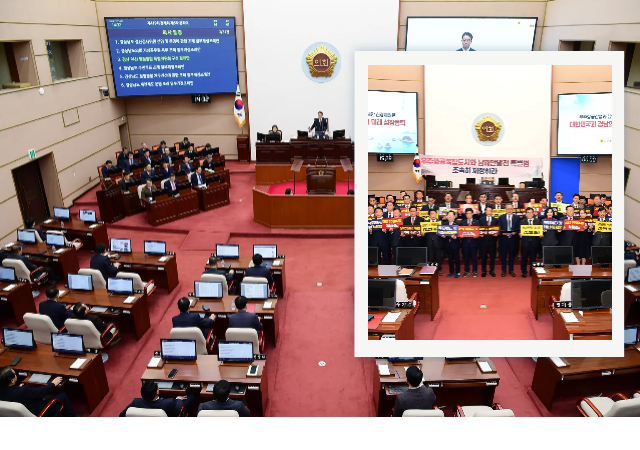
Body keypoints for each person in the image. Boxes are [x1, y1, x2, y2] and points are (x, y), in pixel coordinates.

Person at [0, 366, 75, 416]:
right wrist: (53, 384)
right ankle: (71, 415)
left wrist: (18, 388)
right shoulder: (23, 391)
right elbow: (41, 391)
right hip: (36, 411)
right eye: (15, 374)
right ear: (12, 381)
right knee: (62, 395)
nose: (16, 375)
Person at [119, 380, 195, 417]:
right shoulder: (168, 403)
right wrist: (178, 399)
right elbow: (178, 410)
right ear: (157, 392)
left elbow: (122, 415)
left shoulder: (136, 402)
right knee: (191, 395)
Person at [498, 204, 520, 277]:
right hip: (503, 238)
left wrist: (515, 232)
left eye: (511, 209)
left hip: (513, 238)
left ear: (513, 210)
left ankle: (511, 270)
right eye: (508, 209)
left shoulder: (516, 217)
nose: (509, 210)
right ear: (505, 210)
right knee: (503, 255)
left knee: (511, 255)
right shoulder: (501, 217)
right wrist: (502, 233)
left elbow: (518, 228)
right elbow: (499, 228)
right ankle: (504, 270)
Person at [519, 207, 541, 278]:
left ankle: (532, 272)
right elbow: (519, 231)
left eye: (531, 212)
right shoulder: (522, 222)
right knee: (524, 258)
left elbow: (540, 231)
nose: (529, 214)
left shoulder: (538, 221)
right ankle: (524, 272)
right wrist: (520, 234)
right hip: (525, 243)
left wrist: (541, 234)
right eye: (528, 212)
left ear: (533, 213)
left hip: (534, 243)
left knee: (533, 259)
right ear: (526, 214)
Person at [478, 206, 499, 277]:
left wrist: (496, 234)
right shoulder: (481, 220)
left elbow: (497, 230)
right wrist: (480, 234)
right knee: (483, 257)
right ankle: (484, 271)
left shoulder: (495, 220)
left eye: (490, 211)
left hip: (492, 242)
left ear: (492, 212)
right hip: (483, 242)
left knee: (492, 257)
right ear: (485, 212)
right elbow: (479, 230)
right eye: (488, 211)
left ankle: (492, 270)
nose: (489, 212)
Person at [460, 208, 479, 277]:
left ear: (472, 214)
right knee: (466, 258)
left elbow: (479, 232)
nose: (468, 215)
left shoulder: (477, 222)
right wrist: (461, 236)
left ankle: (474, 271)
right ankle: (467, 270)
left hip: (473, 242)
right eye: (467, 213)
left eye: (470, 213)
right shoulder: (462, 222)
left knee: (474, 258)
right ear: (465, 214)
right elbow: (460, 232)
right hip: (465, 243)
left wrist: (477, 236)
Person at [442, 211, 460, 277]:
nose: (450, 216)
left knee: (457, 259)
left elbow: (460, 234)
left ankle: (457, 272)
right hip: (447, 244)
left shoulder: (457, 224)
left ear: (454, 217)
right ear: (446, 216)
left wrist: (455, 236)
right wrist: (443, 236)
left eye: (451, 215)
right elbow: (442, 232)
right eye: (448, 215)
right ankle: (451, 271)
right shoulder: (444, 224)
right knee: (450, 259)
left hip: (455, 243)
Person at [423, 209, 442, 273]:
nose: (433, 215)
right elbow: (423, 233)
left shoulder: (440, 222)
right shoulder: (426, 223)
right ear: (429, 215)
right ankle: (431, 270)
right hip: (429, 242)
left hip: (438, 241)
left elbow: (443, 232)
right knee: (430, 257)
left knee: (439, 257)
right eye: (431, 214)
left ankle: (439, 270)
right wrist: (423, 233)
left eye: (434, 213)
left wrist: (440, 233)